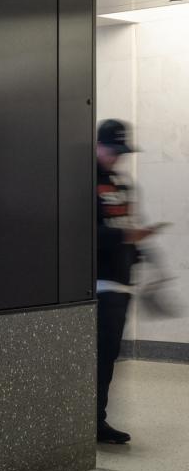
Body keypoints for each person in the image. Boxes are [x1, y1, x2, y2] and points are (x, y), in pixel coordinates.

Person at [96, 119, 164, 445]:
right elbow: (83, 232)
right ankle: (90, 421)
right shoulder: (83, 183)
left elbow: (130, 225)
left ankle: (96, 420)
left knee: (108, 357)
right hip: (97, 285)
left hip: (121, 284)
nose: (117, 157)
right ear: (98, 145)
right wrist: (125, 236)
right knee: (96, 358)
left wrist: (141, 255)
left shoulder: (122, 185)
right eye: (112, 150)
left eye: (121, 152)